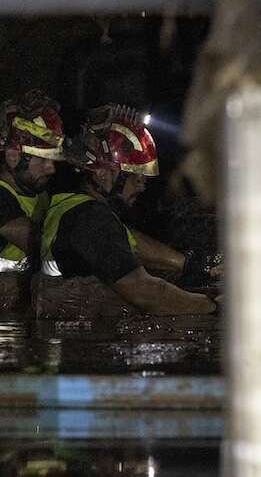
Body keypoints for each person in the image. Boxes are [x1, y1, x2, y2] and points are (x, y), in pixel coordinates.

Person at [32, 103, 218, 318]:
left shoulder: (74, 208)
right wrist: (216, 307)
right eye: (135, 177)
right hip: (83, 342)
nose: (141, 187)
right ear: (103, 173)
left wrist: (199, 268)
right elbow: (148, 294)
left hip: (67, 332)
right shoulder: (90, 218)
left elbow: (139, 250)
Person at [0, 90, 66, 312]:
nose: (51, 169)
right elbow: (42, 242)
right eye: (43, 160)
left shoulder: (42, 196)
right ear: (13, 156)